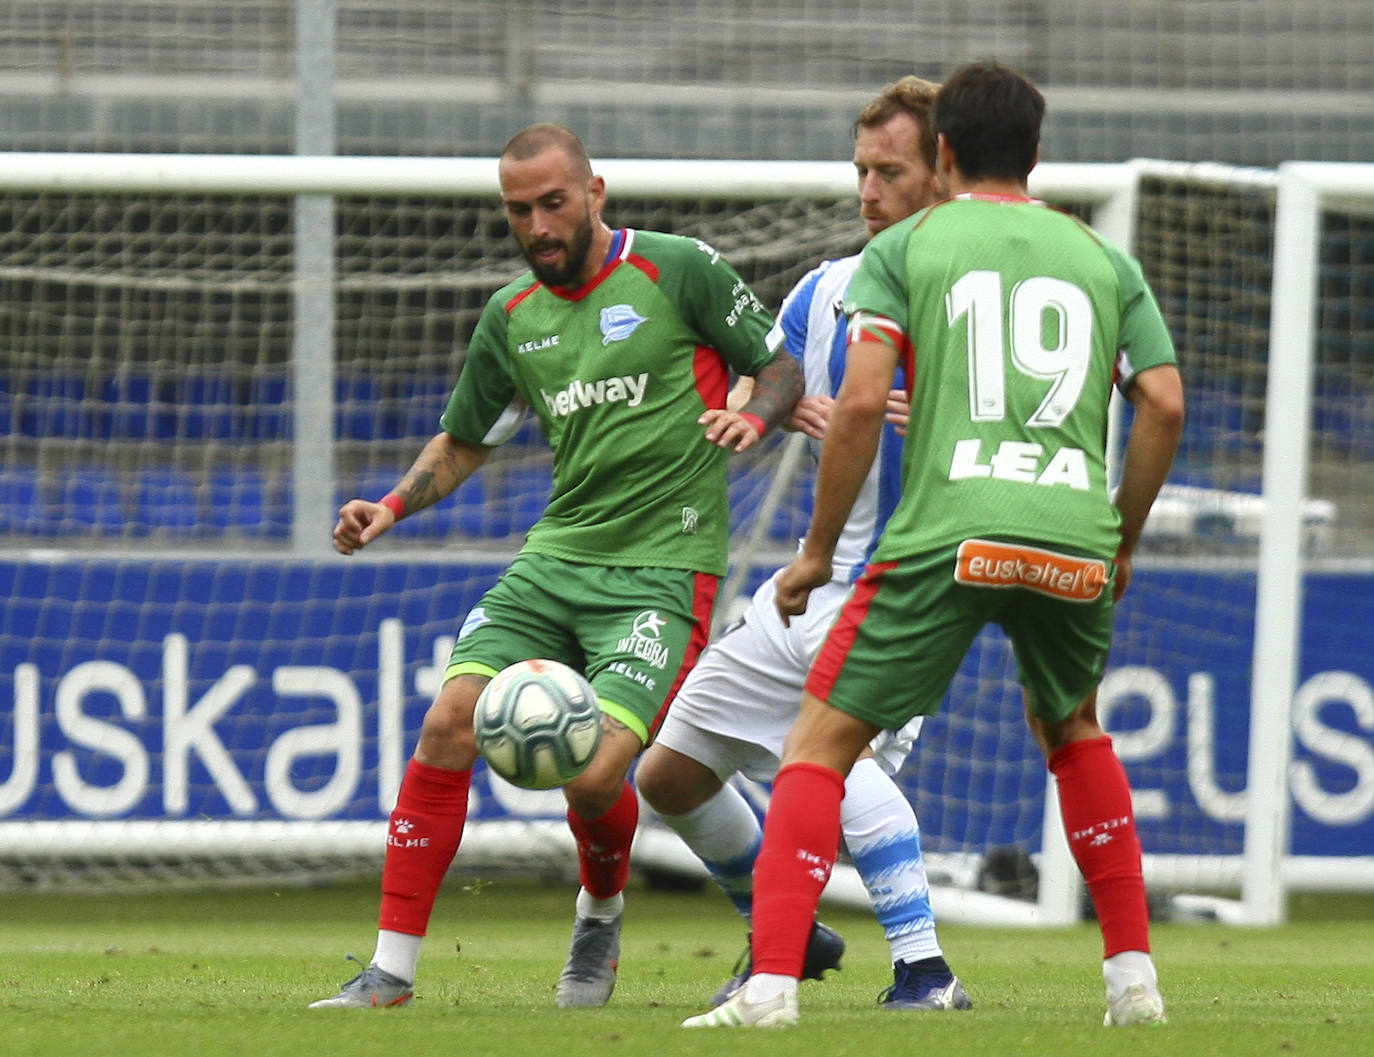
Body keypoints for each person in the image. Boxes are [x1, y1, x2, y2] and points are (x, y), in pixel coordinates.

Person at [683, 59, 1184, 1029]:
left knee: (818, 745)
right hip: (1070, 531)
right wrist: (1120, 537)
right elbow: (1162, 402)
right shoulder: (1100, 257)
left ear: (945, 153)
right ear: (1037, 153)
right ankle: (1134, 985)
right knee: (1075, 733)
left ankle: (772, 986)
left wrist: (816, 552)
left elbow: (860, 402)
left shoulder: (908, 251)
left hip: (947, 530)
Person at [311, 123, 803, 1010]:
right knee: (448, 723)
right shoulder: (511, 316)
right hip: (556, 558)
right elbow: (465, 440)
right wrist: (389, 506)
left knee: (596, 771)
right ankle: (389, 971)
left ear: (594, 193)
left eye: (552, 203)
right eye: (518, 210)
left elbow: (778, 366)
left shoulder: (677, 269)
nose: (537, 225)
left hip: (663, 570)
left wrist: (755, 418)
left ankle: (600, 910)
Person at [635, 76, 969, 1013]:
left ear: (942, 170)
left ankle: (926, 970)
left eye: (889, 171)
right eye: (861, 170)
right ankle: (784, 925)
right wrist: (770, 412)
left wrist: (938, 421)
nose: (868, 190)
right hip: (806, 584)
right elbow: (762, 381)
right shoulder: (826, 288)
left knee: (831, 763)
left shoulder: (967, 297)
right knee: (669, 771)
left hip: (900, 584)